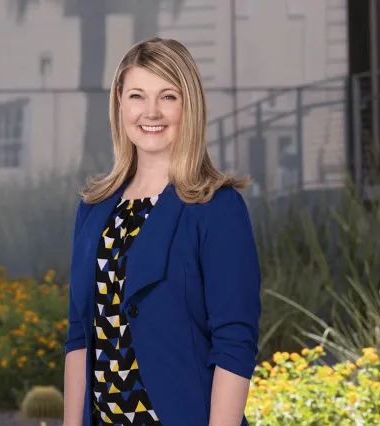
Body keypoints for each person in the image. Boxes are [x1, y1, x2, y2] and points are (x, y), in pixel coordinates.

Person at [63, 37, 261, 426]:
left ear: (189, 104)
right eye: (137, 95)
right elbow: (79, 337)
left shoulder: (217, 208)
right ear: (120, 102)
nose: (151, 112)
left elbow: (234, 345)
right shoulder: (93, 208)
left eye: (168, 96)